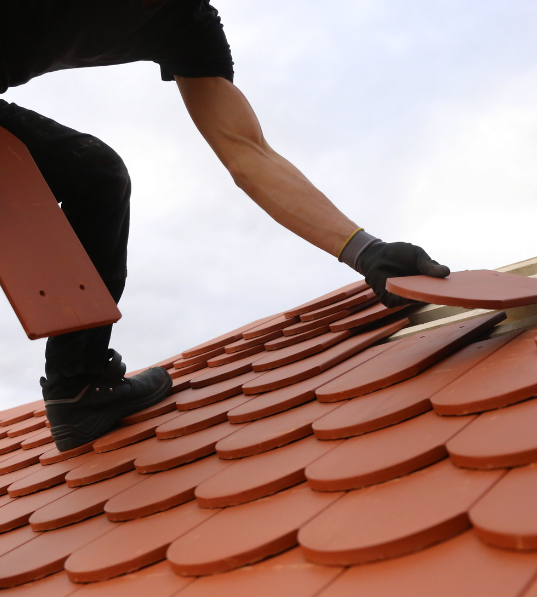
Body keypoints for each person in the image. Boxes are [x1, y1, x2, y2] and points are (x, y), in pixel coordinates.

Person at [0, 0, 449, 451]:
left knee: (94, 176)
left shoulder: (185, 22)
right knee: (93, 172)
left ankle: (79, 388)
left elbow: (247, 152)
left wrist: (367, 251)